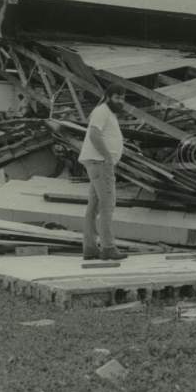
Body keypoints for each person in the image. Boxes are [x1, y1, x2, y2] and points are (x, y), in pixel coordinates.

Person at [78, 84, 127, 260]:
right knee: (108, 205)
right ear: (108, 97)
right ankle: (108, 247)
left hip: (96, 162)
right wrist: (107, 157)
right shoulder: (102, 111)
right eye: (117, 98)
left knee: (94, 207)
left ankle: (90, 248)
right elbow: (94, 135)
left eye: (122, 98)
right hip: (100, 163)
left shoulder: (108, 113)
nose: (120, 101)